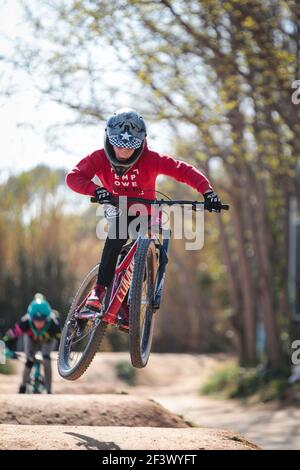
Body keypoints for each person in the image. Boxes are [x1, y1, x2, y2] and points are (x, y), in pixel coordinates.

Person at [66, 108, 222, 323]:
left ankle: (125, 301)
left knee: (147, 253)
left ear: (140, 143)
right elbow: (73, 177)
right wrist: (96, 190)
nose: (122, 152)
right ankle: (99, 291)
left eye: (129, 147)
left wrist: (208, 192)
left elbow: (184, 171)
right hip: (117, 207)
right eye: (118, 145)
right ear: (108, 139)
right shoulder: (99, 157)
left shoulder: (151, 159)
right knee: (118, 234)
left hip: (147, 212)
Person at [3, 293, 61, 393]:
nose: (38, 323)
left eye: (41, 320)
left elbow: (62, 341)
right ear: (30, 317)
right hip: (30, 338)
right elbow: (8, 337)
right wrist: (7, 350)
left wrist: (64, 354)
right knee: (29, 360)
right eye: (35, 320)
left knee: (46, 359)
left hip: (48, 340)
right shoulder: (24, 323)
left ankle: (49, 390)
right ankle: (23, 386)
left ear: (47, 318)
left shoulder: (54, 324)